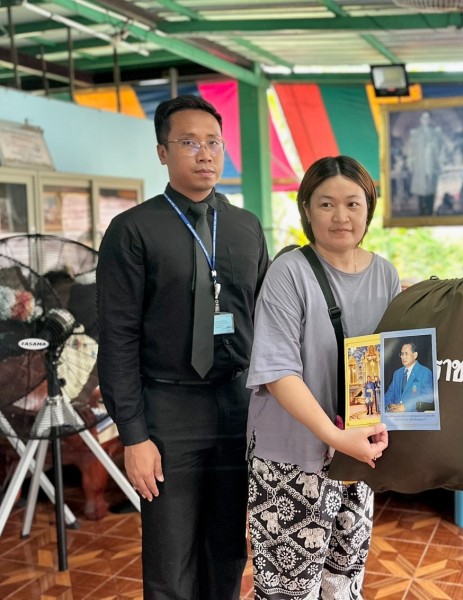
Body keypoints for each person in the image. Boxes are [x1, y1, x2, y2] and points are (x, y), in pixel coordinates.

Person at [96, 95, 269, 599]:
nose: (205, 153)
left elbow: (268, 321)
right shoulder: (132, 230)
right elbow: (117, 339)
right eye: (189, 142)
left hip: (237, 404)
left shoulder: (245, 227)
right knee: (171, 559)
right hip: (167, 411)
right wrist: (134, 436)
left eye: (213, 142)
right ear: (162, 152)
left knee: (227, 550)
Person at [246, 155, 399, 599]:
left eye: (352, 204)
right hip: (291, 459)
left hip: (357, 455)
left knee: (344, 580)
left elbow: (390, 361)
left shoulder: (385, 274)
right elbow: (278, 371)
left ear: (368, 209)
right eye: (326, 204)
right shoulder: (288, 272)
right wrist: (336, 437)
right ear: (307, 210)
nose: (341, 216)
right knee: (289, 590)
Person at [406, 111, 444, 216]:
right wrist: (411, 163)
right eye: (423, 118)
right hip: (420, 163)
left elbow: (439, 148)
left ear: (430, 120)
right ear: (420, 120)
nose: (425, 120)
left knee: (431, 185)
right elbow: (412, 150)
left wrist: (433, 145)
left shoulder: (435, 132)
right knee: (421, 186)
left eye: (427, 118)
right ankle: (421, 210)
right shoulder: (416, 133)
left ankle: (430, 209)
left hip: (431, 162)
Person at [384, 341, 434, 412]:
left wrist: (406, 406)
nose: (403, 357)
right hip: (395, 415)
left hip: (413, 417)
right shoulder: (397, 373)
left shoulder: (424, 372)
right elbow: (389, 393)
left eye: (406, 354)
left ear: (415, 355)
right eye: (402, 354)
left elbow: (428, 397)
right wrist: (389, 405)